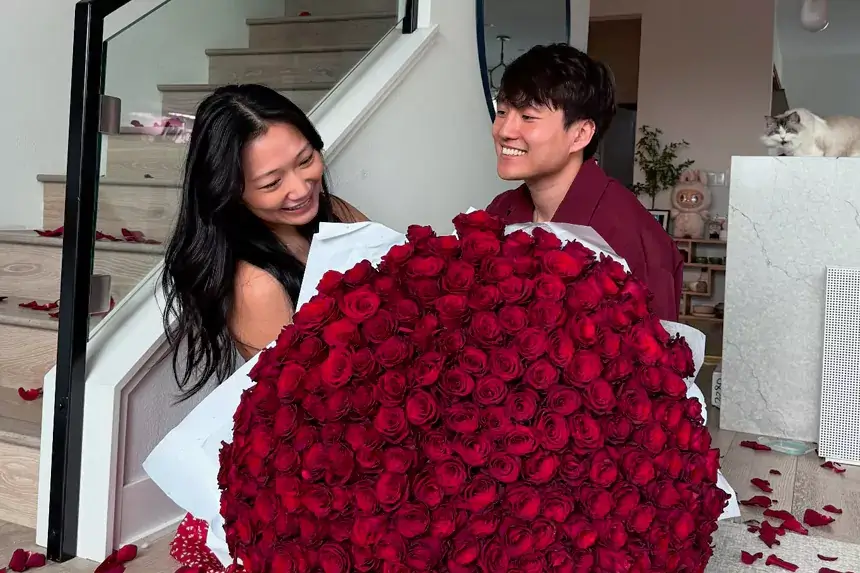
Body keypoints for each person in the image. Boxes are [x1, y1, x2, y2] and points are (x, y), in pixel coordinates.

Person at [162, 84, 366, 400]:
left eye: (305, 159)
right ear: (230, 190)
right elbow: (302, 405)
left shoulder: (336, 211)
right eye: (272, 183)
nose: (300, 189)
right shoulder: (257, 287)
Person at [486, 43, 683, 321]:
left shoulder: (632, 236)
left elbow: (657, 357)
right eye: (503, 112)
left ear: (580, 134)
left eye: (528, 117)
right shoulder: (500, 210)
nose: (504, 131)